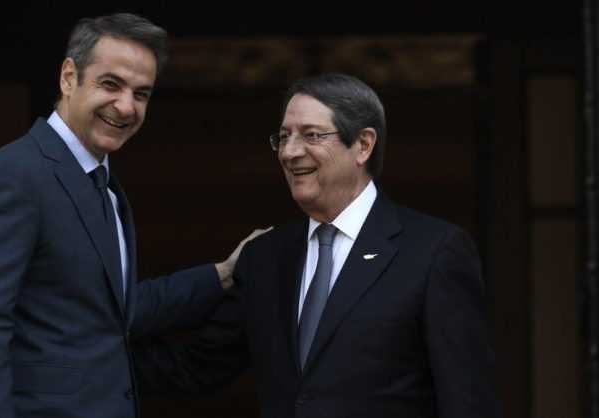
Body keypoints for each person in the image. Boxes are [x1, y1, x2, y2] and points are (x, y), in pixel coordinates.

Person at [0, 13, 263, 418]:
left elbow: (115, 309)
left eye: (141, 94)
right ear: (68, 78)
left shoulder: (103, 184)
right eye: (111, 84)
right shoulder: (15, 176)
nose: (126, 106)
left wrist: (222, 273)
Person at [134, 73, 501, 418]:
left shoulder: (432, 252)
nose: (289, 152)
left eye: (311, 135)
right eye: (284, 137)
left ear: (363, 145)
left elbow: (467, 398)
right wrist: (99, 358)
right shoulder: (265, 257)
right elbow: (196, 366)